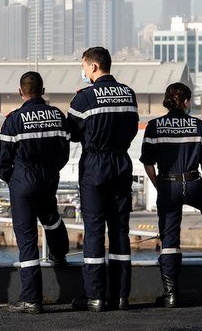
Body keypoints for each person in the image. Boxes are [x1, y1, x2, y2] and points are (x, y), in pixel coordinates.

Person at [141, 82, 202, 308]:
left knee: (169, 239)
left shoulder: (154, 126)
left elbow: (148, 164)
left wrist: (160, 187)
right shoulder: (197, 125)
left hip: (168, 185)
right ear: (186, 102)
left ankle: (171, 293)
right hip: (193, 182)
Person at [66, 47, 139, 312]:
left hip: (95, 166)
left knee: (95, 231)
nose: (83, 72)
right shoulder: (128, 94)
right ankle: (121, 296)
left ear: (94, 67)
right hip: (121, 164)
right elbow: (132, 128)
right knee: (120, 231)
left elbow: (72, 134)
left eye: (84, 67)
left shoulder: (84, 98)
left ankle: (95, 297)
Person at [0, 72, 71, 314]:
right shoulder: (58, 116)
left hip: (23, 182)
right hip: (49, 178)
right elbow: (64, 151)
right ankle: (60, 253)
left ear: (21, 91)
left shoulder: (14, 119)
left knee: (27, 239)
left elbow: (3, 160)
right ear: (43, 89)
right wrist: (51, 172)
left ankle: (31, 299)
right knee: (50, 216)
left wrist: (13, 180)